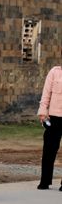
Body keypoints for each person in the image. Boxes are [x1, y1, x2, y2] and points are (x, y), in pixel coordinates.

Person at [37, 62, 62, 191]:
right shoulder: (54, 72)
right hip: (54, 117)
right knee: (49, 150)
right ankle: (45, 181)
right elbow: (46, 94)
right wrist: (42, 112)